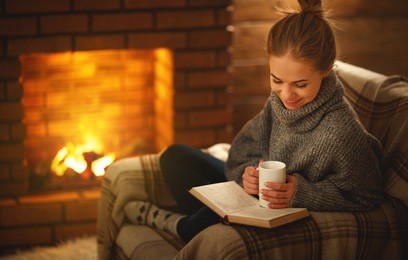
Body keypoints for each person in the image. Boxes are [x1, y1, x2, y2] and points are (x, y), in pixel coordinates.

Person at [124, 0, 383, 244]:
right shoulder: (277, 103)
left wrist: (300, 193)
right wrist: (248, 176)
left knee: (213, 217)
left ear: (326, 70)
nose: (287, 95)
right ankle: (202, 222)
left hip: (279, 213)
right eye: (277, 80)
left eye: (300, 84)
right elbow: (240, 154)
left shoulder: (341, 131)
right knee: (175, 156)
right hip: (254, 196)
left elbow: (366, 194)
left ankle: (180, 226)